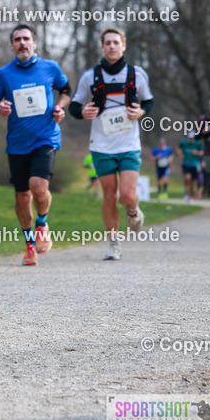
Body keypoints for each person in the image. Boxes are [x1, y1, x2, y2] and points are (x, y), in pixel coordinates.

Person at [0, 24, 71, 266]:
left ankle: (42, 225)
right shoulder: (4, 74)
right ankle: (30, 244)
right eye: (17, 39)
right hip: (17, 144)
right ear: (12, 46)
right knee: (22, 197)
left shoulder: (50, 67)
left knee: (38, 186)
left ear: (34, 43)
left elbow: (65, 90)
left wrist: (60, 106)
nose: (22, 43)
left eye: (26, 39)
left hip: (46, 138)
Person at [69, 28, 154, 261]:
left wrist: (142, 111)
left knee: (126, 194)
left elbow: (149, 101)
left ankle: (133, 211)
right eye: (108, 43)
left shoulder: (137, 74)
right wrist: (83, 112)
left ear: (123, 46)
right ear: (102, 47)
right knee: (109, 195)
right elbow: (74, 106)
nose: (112, 46)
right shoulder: (90, 76)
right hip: (101, 145)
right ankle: (114, 243)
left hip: (129, 143)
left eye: (116, 42)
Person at [179, 131, 204, 204]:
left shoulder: (198, 144)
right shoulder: (184, 143)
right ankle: (186, 190)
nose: (191, 140)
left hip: (194, 164)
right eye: (190, 138)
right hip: (186, 163)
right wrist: (181, 154)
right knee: (187, 177)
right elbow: (178, 148)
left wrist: (197, 153)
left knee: (193, 182)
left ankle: (191, 196)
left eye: (192, 138)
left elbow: (202, 152)